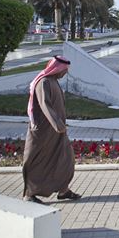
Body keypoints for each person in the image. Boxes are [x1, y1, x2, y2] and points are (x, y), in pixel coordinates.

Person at [22, 55, 81, 203]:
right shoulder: (44, 82)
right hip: (43, 132)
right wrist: (57, 124)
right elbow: (45, 105)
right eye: (64, 70)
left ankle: (63, 190)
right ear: (57, 69)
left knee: (65, 158)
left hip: (57, 131)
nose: (65, 73)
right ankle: (29, 194)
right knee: (37, 161)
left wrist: (59, 126)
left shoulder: (53, 82)